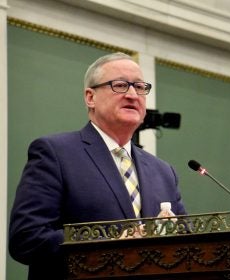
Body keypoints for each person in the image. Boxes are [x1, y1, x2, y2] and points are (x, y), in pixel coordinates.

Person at [8, 52, 187, 280]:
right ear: (90, 97)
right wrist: (111, 244)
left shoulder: (164, 172)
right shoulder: (55, 153)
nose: (133, 94)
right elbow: (27, 239)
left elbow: (187, 248)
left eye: (140, 87)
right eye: (120, 85)